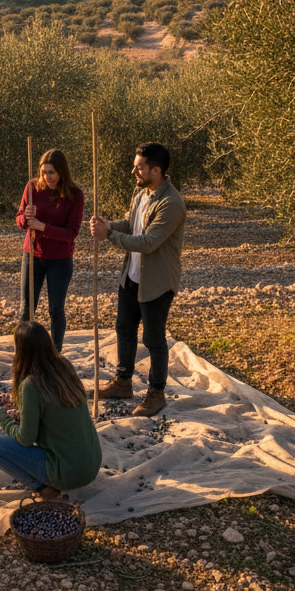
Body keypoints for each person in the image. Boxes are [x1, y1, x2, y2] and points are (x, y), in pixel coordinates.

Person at [89, 141, 186, 418]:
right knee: (124, 329)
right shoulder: (142, 192)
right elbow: (132, 224)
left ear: (156, 170)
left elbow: (147, 242)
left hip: (156, 283)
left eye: (139, 167)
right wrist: (110, 226)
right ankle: (122, 383)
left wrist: (108, 236)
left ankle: (156, 393)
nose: (134, 172)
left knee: (154, 340)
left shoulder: (172, 203)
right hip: (131, 276)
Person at [0, 321, 102, 498]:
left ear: (21, 351)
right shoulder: (63, 366)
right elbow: (52, 408)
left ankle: (42, 488)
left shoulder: (31, 385)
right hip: (91, 465)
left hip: (69, 474)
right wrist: (18, 404)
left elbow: (26, 439)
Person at [16, 148, 85, 351]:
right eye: (44, 172)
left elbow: (71, 233)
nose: (47, 177)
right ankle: (23, 353)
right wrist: (25, 218)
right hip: (32, 255)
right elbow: (20, 220)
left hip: (60, 260)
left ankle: (55, 354)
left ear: (62, 172)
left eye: (52, 172)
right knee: (26, 310)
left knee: (56, 309)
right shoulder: (32, 188)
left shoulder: (75, 195)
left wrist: (42, 227)